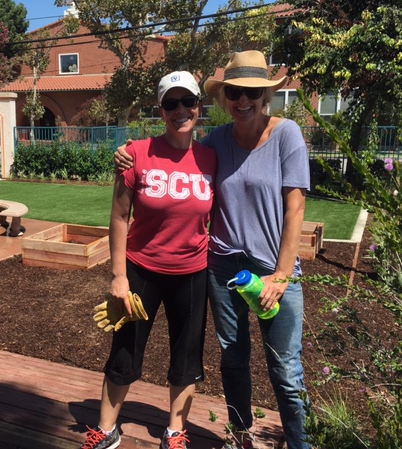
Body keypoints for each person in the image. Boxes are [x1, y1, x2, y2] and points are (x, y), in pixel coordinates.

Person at [115, 51, 311, 449]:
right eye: (235, 92)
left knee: (286, 370)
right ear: (224, 97)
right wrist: (129, 152)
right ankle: (240, 436)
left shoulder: (287, 134)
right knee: (234, 359)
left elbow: (296, 209)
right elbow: (177, 156)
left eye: (252, 92)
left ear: (266, 95)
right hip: (223, 268)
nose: (243, 100)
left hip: (274, 268)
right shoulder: (216, 141)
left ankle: (300, 443)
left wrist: (281, 276)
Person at [78, 71, 217, 449]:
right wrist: (118, 276)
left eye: (187, 101)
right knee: (124, 350)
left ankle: (175, 431)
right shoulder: (136, 154)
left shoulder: (210, 158)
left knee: (187, 356)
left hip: (192, 273)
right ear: (160, 109)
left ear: (198, 106)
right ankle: (106, 429)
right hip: (142, 271)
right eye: (170, 103)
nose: (180, 110)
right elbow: (119, 217)